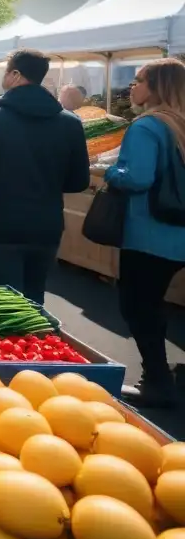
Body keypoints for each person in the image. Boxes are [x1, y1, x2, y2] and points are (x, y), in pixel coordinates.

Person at [0, 49, 89, 306]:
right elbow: (79, 181)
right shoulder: (70, 123)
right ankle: (34, 345)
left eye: (6, 71)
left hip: (0, 223)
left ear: (15, 75)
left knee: (3, 303)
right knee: (34, 299)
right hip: (46, 225)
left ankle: (12, 346)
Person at [104, 58, 185, 407]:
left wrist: (110, 172)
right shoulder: (179, 126)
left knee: (138, 305)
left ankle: (157, 382)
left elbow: (137, 177)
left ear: (157, 88)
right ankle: (160, 376)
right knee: (153, 303)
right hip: (177, 235)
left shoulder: (147, 127)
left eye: (138, 81)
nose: (131, 87)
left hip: (148, 232)